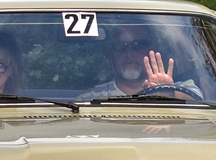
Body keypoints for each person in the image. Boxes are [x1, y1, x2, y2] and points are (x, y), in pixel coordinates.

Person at [73, 24, 202, 102]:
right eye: (120, 46)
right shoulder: (88, 98)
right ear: (111, 55)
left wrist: (168, 93)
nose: (129, 54)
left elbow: (199, 102)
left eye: (138, 45)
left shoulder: (180, 88)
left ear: (151, 49)